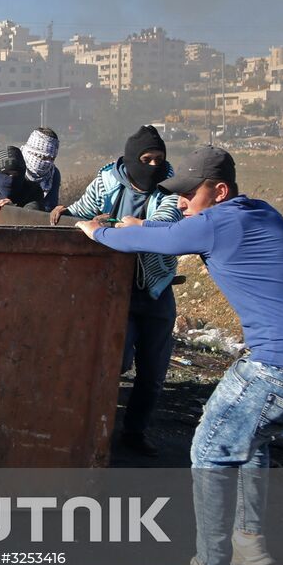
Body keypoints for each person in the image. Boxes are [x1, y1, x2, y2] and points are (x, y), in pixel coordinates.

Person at [79, 146, 283, 565]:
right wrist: (147, 225)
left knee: (211, 445)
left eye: (190, 193)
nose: (182, 201)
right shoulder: (256, 214)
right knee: (248, 439)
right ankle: (247, 541)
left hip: (282, 368)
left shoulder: (221, 222)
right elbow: (176, 231)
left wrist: (97, 229)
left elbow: (139, 241)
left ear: (220, 191)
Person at [52, 125, 181, 455]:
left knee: (153, 372)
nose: (153, 166)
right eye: (146, 159)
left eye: (159, 159)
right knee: (115, 361)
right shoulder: (108, 181)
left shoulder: (170, 189)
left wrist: (111, 225)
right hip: (116, 291)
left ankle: (134, 434)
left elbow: (162, 225)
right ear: (130, 159)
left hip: (155, 288)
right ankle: (96, 430)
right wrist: (64, 212)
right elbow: (82, 211)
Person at [21, 127, 62, 211]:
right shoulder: (13, 166)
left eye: (52, 159)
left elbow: (49, 207)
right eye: (42, 157)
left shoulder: (53, 174)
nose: (48, 163)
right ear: (31, 152)